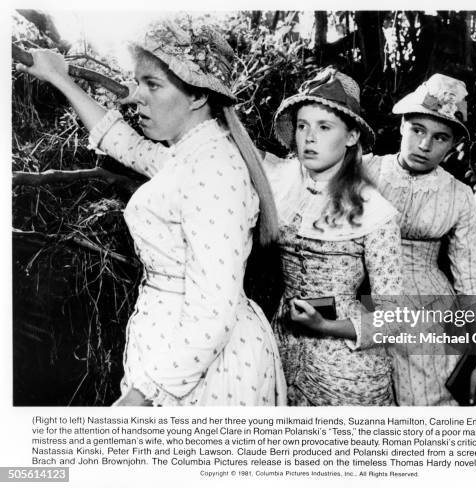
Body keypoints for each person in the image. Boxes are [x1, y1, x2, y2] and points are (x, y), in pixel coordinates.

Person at [17, 15, 286, 406]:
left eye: (153, 85)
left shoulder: (214, 167)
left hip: (198, 367)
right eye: (139, 81)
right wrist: (60, 78)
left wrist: (144, 395)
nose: (137, 96)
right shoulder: (192, 151)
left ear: (197, 96)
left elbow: (214, 309)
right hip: (180, 354)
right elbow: (123, 143)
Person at [262, 68, 404, 405]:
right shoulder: (284, 182)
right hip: (282, 348)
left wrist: (327, 327)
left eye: (324, 127)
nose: (309, 138)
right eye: (302, 126)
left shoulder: (375, 211)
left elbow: (394, 321)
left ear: (352, 135)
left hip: (344, 371)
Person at [353, 74, 476, 406]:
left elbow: (470, 277)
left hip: (427, 309)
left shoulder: (458, 194)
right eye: (417, 130)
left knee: (425, 401)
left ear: (453, 143)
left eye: (440, 137)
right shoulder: (365, 170)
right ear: (402, 126)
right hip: (361, 297)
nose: (425, 146)